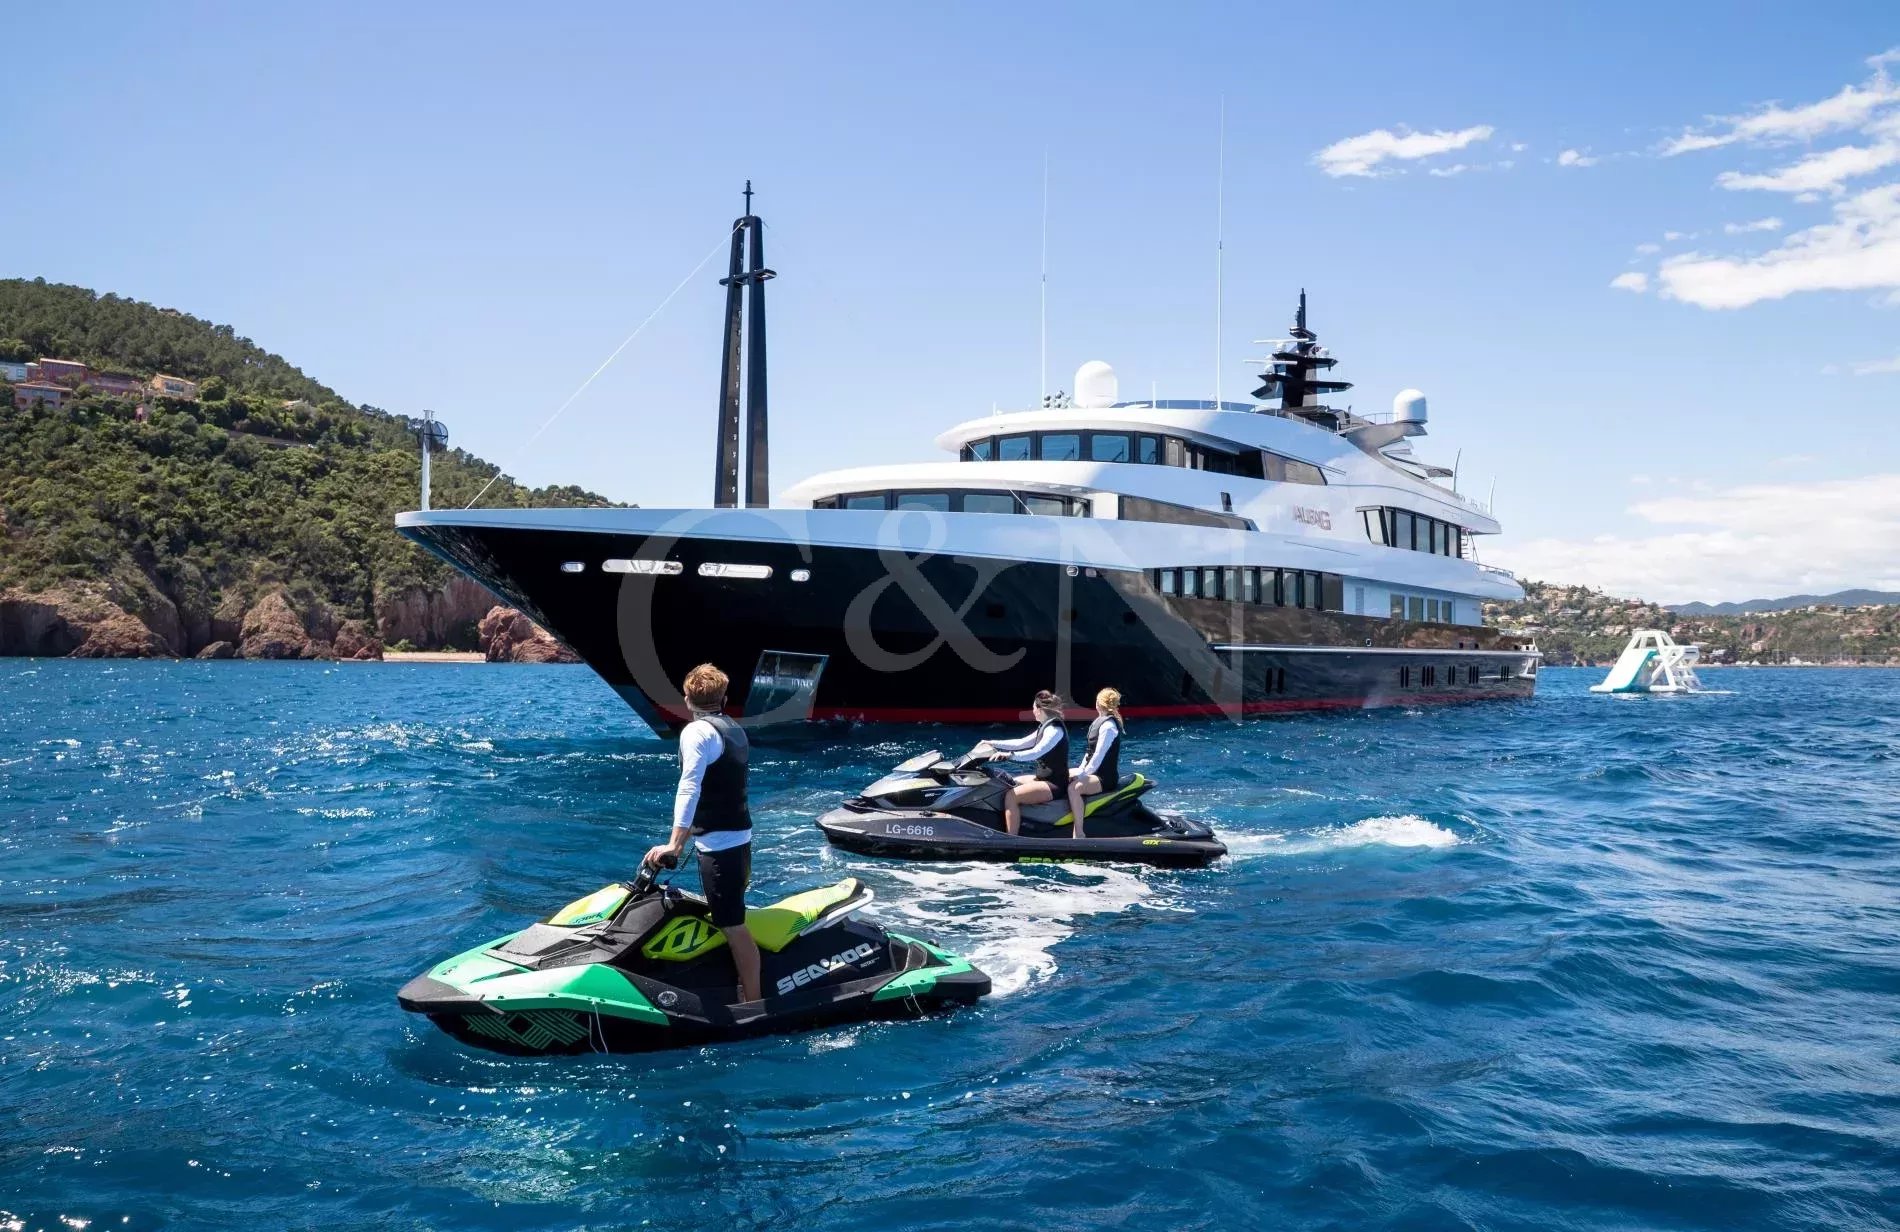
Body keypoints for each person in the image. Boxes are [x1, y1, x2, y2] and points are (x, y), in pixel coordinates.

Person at [643, 663, 762, 1007]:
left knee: (732, 925)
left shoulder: (697, 732)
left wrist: (674, 844)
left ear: (687, 699)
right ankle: (737, 984)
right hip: (737, 840)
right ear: (723, 698)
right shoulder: (734, 729)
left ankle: (754, 1004)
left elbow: (689, 787)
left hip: (721, 847)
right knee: (727, 915)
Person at [975, 689, 1070, 836]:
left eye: (1033, 708)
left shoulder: (1054, 730)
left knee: (1011, 796)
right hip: (1042, 778)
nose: (1033, 711)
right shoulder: (1044, 727)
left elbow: (1036, 752)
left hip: (1054, 784)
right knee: (1008, 782)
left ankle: (1012, 838)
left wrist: (1009, 756)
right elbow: (1021, 743)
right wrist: (992, 743)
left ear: (1039, 710)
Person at [1064, 687, 1125, 839]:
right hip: (1093, 772)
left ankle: (1079, 832)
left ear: (1098, 704)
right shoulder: (1098, 722)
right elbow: (1089, 752)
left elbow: (1098, 756)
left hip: (1104, 777)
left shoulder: (1109, 727)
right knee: (1063, 775)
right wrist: (1079, 770)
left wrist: (1081, 775)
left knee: (1074, 788)